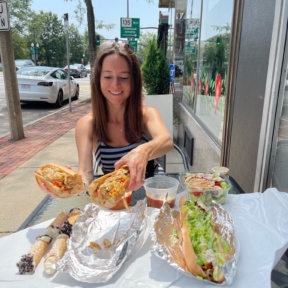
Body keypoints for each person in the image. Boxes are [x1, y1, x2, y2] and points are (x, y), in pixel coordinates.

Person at [75, 41, 173, 192]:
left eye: (124, 77)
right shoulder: (87, 124)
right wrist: (69, 185)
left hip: (154, 193)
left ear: (134, 81)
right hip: (115, 199)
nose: (115, 84)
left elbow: (166, 141)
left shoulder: (147, 114)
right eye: (108, 77)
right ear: (98, 80)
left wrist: (143, 151)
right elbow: (86, 173)